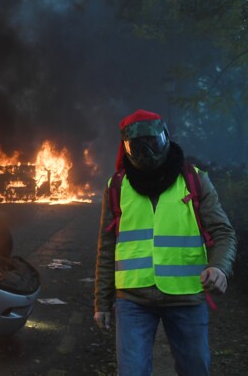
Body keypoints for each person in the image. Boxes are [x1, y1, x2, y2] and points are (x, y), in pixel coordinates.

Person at [94, 109, 237, 376]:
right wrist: (102, 303)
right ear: (125, 148)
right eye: (137, 146)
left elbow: (223, 232)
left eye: (153, 142)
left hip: (186, 297)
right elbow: (107, 247)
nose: (146, 152)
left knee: (195, 369)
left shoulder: (194, 180)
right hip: (133, 300)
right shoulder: (116, 186)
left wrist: (219, 267)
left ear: (166, 138)